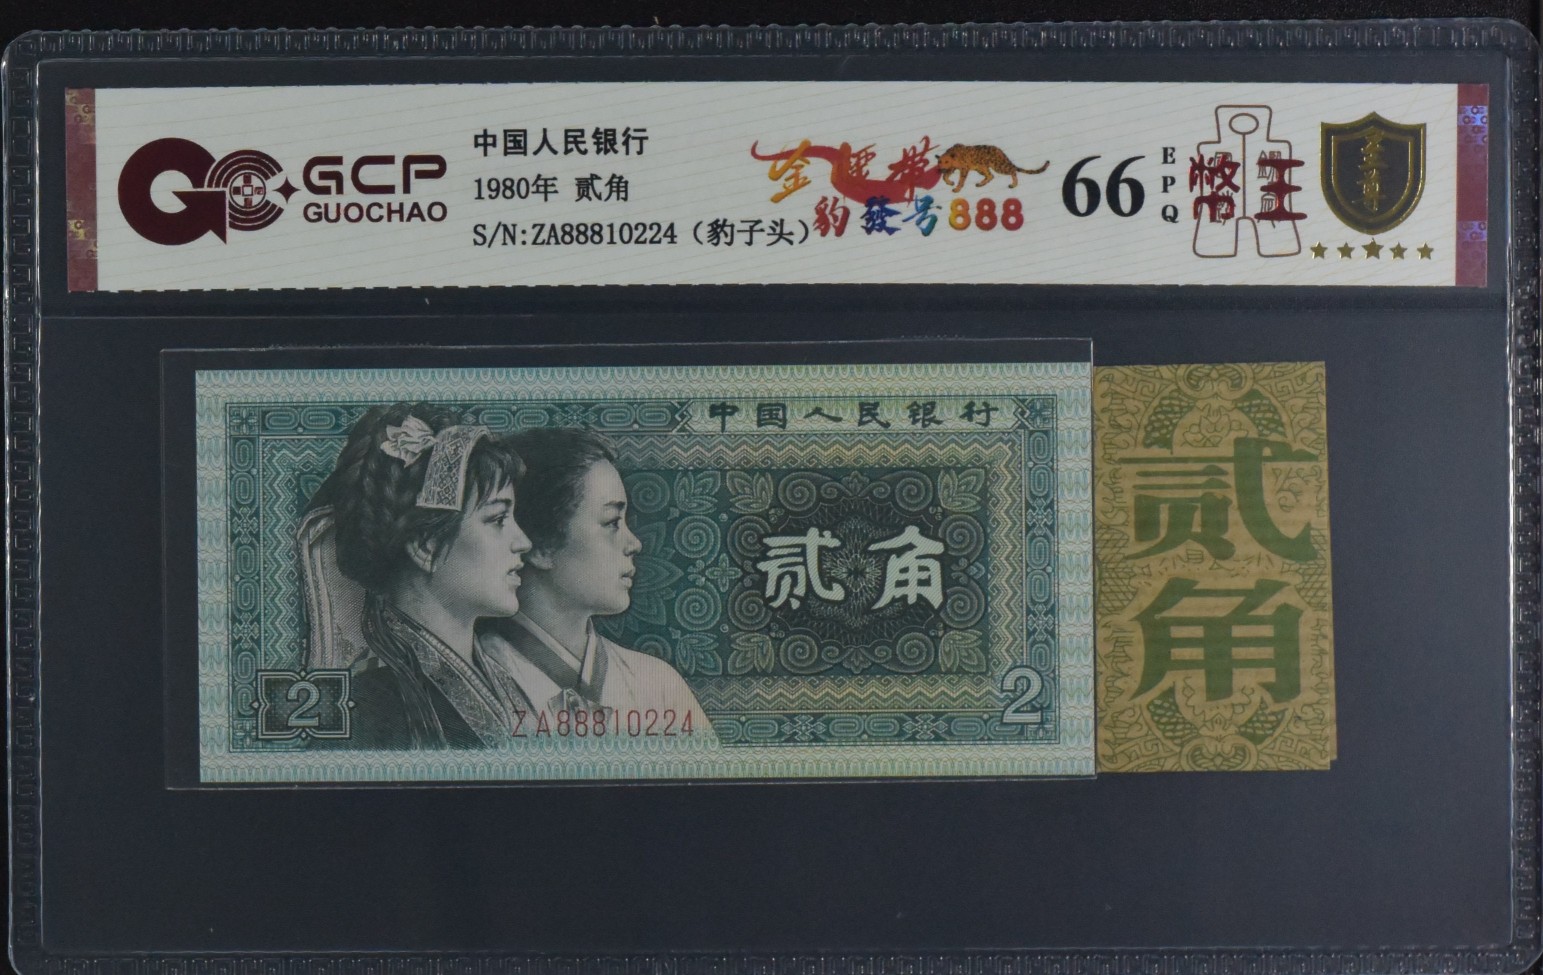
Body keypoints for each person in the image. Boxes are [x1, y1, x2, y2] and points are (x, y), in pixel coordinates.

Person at [304, 402, 534, 749]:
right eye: (498, 519)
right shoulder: (366, 710)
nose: (523, 542)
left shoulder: (505, 682)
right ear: (426, 546)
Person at [480, 428, 714, 739]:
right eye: (612, 523)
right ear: (541, 547)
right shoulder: (475, 681)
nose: (634, 544)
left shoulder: (658, 685)